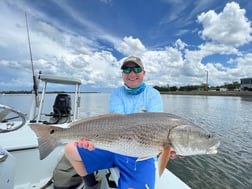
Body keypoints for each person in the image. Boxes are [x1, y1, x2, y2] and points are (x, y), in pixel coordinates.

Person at [65, 56, 163, 189]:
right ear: (122, 74)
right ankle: (91, 185)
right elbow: (117, 122)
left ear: (143, 73)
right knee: (70, 149)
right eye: (127, 70)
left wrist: (170, 147)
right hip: (113, 146)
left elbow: (157, 126)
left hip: (141, 153)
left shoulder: (153, 94)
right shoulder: (116, 93)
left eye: (137, 69)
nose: (132, 73)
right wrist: (90, 137)